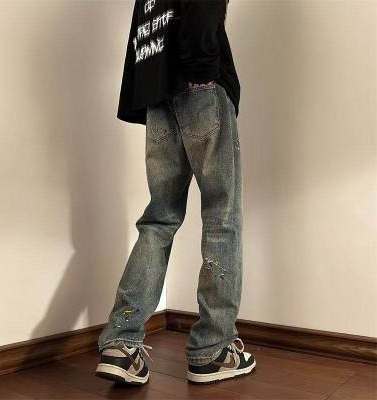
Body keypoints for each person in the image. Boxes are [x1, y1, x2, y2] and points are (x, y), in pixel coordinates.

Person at [95, 0, 256, 385]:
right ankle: (214, 349)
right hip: (201, 88)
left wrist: (149, 94)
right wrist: (202, 71)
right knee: (222, 218)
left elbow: (147, 33)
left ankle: (122, 341)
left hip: (158, 95)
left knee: (159, 218)